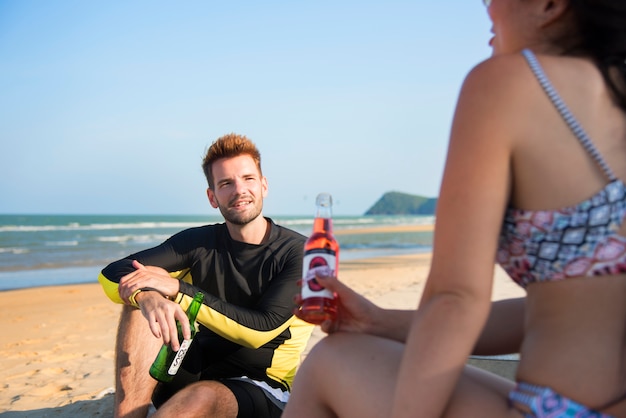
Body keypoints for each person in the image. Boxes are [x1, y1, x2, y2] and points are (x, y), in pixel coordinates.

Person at [283, 0, 626, 417]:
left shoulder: (506, 82)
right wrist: (380, 322)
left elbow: (455, 299)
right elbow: (558, 316)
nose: (485, 7)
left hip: (563, 409)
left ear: (550, 5)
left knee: (327, 362)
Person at [98, 133, 314, 418]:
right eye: (226, 184)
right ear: (212, 197)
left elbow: (261, 330)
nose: (239, 190)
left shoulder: (298, 252)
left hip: (263, 387)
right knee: (141, 292)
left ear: (263, 186)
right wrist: (148, 297)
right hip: (188, 374)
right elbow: (113, 273)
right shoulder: (199, 242)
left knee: (203, 396)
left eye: (248, 179)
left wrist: (178, 289)